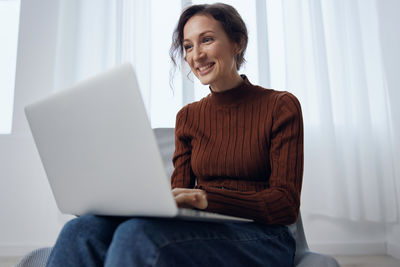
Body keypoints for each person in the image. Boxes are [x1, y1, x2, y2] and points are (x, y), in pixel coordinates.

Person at [46, 3, 303, 267]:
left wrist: (207, 199)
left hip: (264, 237)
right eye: (188, 46)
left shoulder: (280, 106)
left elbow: (285, 203)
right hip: (205, 228)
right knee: (80, 231)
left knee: (136, 236)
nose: (196, 56)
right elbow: (177, 195)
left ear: (237, 42)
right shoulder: (188, 117)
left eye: (207, 40)